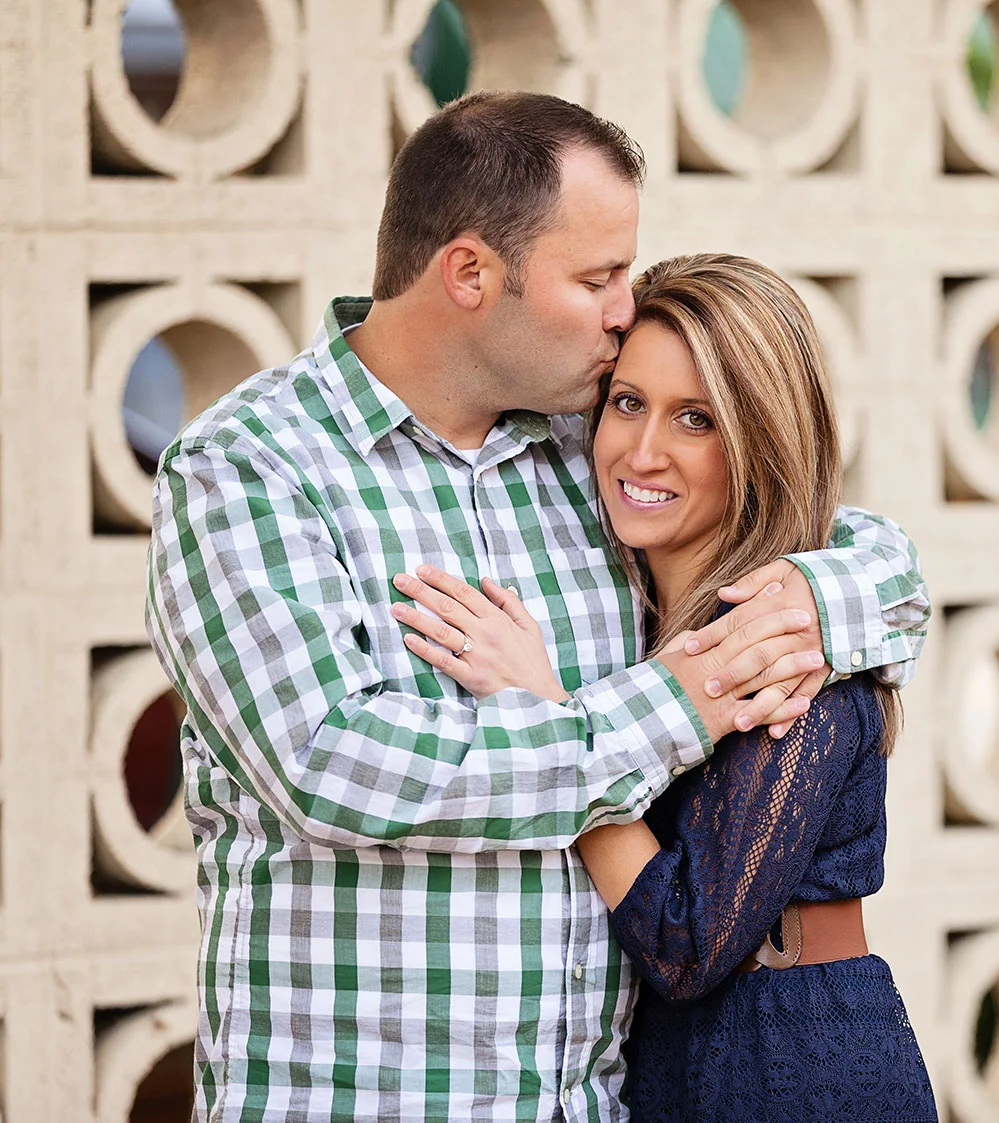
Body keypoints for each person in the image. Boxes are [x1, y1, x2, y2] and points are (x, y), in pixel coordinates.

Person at [145, 93, 929, 1123]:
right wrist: (674, 703)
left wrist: (815, 601)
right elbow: (332, 762)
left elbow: (836, 534)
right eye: (598, 278)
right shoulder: (249, 469)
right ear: (470, 272)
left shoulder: (587, 454)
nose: (623, 311)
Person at [393, 254, 938, 1122]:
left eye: (696, 419)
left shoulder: (786, 650)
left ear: (760, 438)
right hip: (660, 1064)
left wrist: (545, 719)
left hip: (791, 1063)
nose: (642, 451)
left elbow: (687, 939)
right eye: (627, 403)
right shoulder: (632, 616)